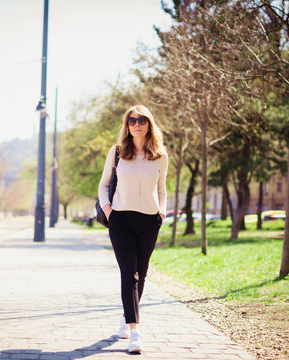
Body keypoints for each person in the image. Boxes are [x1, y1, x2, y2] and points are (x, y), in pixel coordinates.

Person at [98, 104, 168, 353]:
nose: (136, 124)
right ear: (126, 125)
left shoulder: (160, 155)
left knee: (142, 273)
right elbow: (104, 185)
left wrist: (162, 211)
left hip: (149, 221)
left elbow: (162, 188)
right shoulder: (116, 153)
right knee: (130, 275)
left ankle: (128, 315)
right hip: (121, 221)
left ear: (149, 124)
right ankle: (135, 332)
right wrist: (108, 210)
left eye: (141, 120)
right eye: (131, 120)